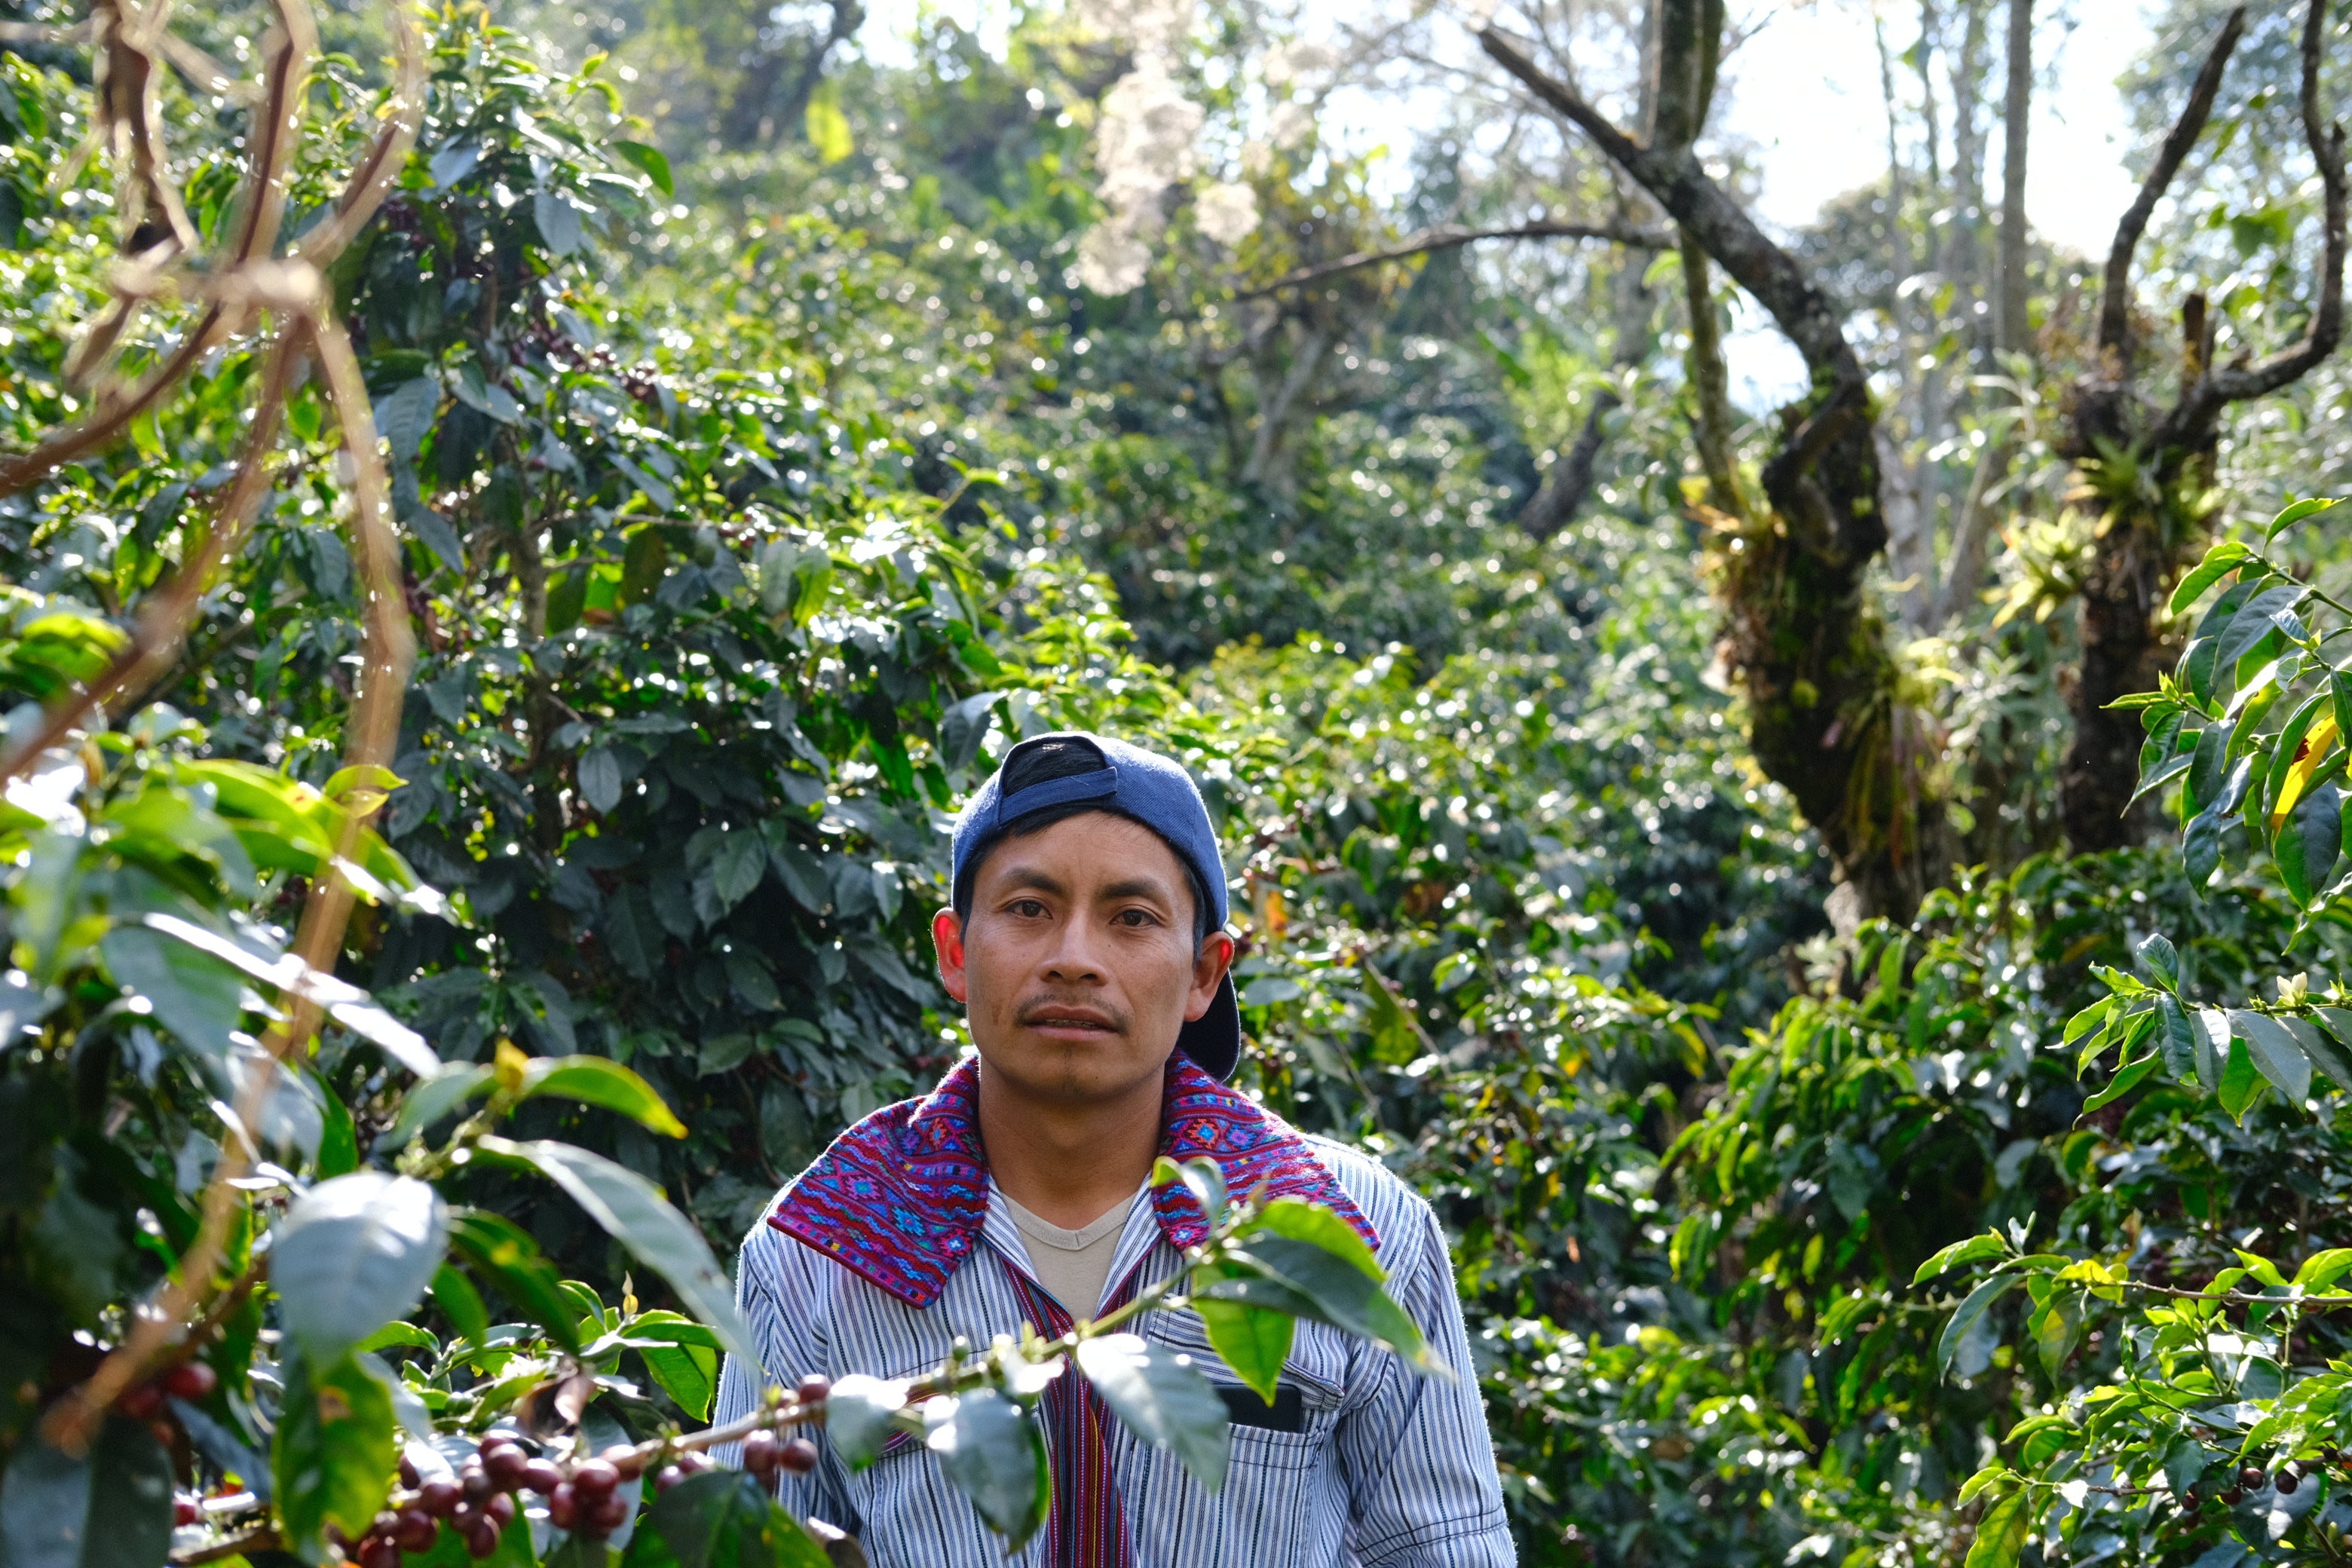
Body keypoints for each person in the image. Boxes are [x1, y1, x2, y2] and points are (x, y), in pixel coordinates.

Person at [711, 731, 1513, 1567]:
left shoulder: (1348, 1232)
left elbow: (1445, 1550)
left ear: (1204, 973)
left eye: (1132, 918)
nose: (1074, 960)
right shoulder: (822, 1246)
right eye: (1030, 909)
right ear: (955, 952)